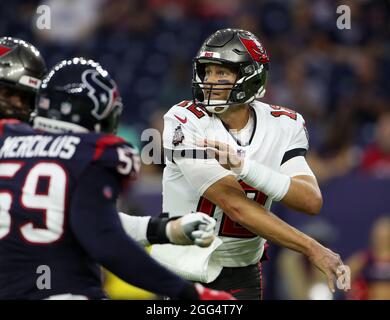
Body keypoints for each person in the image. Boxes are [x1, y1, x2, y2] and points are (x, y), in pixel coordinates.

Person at [0, 57, 234, 300]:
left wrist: (165, 229)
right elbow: (103, 238)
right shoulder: (88, 153)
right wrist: (190, 293)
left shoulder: (6, 141)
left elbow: (76, 220)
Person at [151, 28, 347, 299]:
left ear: (250, 76)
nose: (210, 80)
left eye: (222, 73)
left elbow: (310, 201)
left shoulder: (283, 123)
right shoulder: (185, 119)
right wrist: (311, 247)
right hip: (184, 270)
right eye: (207, 72)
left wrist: (243, 166)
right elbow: (235, 206)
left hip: (242, 272)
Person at [0, 37, 217, 250]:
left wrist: (167, 228)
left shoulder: (37, 149)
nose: (16, 106)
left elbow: (87, 221)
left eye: (25, 98)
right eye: (7, 94)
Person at [346, 216, 390, 300]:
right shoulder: (364, 258)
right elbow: (343, 274)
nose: (382, 240)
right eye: (379, 237)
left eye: (385, 237)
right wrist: (356, 291)